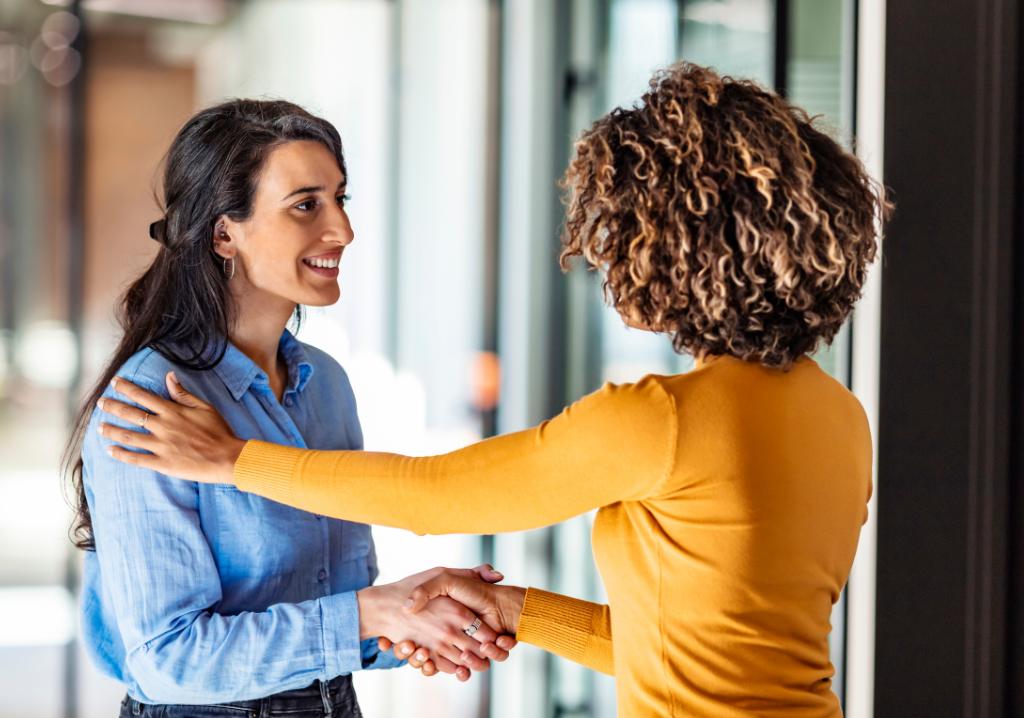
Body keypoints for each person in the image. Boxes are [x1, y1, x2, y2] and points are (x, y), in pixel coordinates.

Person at [97, 64, 891, 717]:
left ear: (675, 242)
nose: (606, 260)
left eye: (617, 231)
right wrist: (507, 612)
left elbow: (436, 495)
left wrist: (235, 460)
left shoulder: (666, 420)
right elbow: (687, 649)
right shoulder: (841, 417)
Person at [68, 99, 514, 718]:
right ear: (224, 232)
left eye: (340, 199)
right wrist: (370, 612)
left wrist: (419, 618)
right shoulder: (149, 403)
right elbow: (167, 660)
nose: (342, 231)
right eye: (306, 205)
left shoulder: (325, 384)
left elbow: (336, 606)